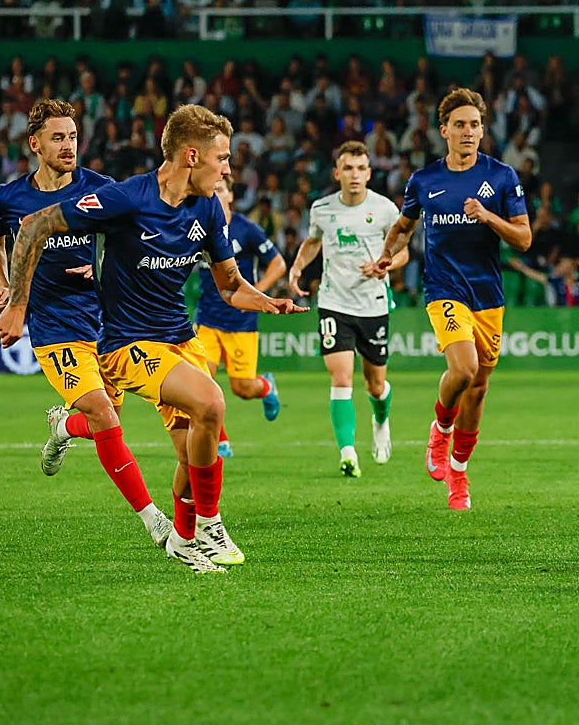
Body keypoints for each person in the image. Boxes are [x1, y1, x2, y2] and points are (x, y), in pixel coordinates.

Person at [0, 104, 305, 573]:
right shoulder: (127, 198)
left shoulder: (206, 206)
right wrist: (18, 303)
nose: (228, 169)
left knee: (190, 451)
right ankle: (208, 524)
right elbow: (36, 226)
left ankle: (182, 538)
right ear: (192, 156)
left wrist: (268, 300)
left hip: (179, 339)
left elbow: (229, 285)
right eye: (222, 159)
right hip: (125, 343)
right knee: (212, 403)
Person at [0, 98, 173, 548]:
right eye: (57, 138)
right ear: (35, 144)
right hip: (53, 324)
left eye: (72, 136)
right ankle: (156, 523)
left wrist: (103, 268)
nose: (69, 146)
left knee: (106, 421)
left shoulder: (100, 188)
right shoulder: (11, 197)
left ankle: (62, 427)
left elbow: (130, 240)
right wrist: (7, 287)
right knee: (105, 415)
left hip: (106, 321)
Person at [375, 88, 531, 510]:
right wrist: (387, 256)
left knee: (478, 388)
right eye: (460, 124)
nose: (468, 132)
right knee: (463, 370)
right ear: (443, 130)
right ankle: (439, 431)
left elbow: (524, 238)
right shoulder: (424, 180)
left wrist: (488, 216)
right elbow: (405, 226)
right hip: (444, 290)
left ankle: (459, 476)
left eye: (475, 125)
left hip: (488, 296)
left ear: (483, 130)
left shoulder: (502, 177)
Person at [287, 141, 405, 478]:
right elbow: (313, 242)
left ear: (369, 173)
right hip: (334, 303)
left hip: (373, 304)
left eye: (360, 168)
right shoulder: (322, 208)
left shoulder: (385, 210)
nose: (354, 175)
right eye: (348, 168)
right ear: (337, 173)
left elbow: (405, 252)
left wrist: (386, 264)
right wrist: (297, 268)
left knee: (374, 385)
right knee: (340, 377)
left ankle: (380, 418)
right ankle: (348, 451)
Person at [193, 174, 286, 458]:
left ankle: (266, 386)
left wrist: (257, 293)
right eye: (211, 190)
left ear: (231, 196)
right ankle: (220, 439)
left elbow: (278, 264)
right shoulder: (197, 229)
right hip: (207, 318)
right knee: (200, 383)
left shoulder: (247, 230)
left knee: (242, 388)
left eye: (220, 190)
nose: (215, 195)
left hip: (241, 322)